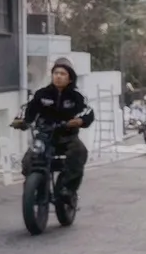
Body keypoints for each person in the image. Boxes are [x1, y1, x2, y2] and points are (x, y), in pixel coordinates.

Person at [13, 60, 94, 198]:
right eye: (56, 73)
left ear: (70, 78)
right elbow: (28, 108)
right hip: (44, 137)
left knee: (79, 152)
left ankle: (67, 188)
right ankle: (34, 187)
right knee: (28, 160)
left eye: (62, 73)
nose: (58, 76)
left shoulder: (77, 96)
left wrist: (79, 120)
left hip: (67, 137)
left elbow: (87, 111)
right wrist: (20, 120)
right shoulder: (41, 94)